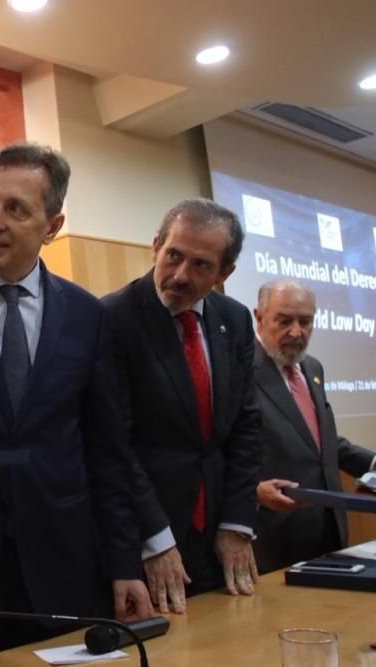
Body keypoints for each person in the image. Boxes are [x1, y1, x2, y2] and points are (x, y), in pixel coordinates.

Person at [0, 142, 152, 665]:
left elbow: (108, 451)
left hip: (63, 567)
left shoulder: (87, 315)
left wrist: (125, 562)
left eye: (16, 209)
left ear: (52, 224)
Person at [103, 198, 261, 613]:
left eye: (201, 265)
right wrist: (154, 538)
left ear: (225, 273)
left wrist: (237, 523)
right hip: (147, 538)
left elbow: (245, 425)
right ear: (155, 246)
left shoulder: (236, 320)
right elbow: (114, 443)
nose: (180, 275)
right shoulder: (112, 318)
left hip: (218, 535)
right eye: (173, 256)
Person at [252, 279, 376, 573]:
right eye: (284, 321)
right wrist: (252, 491)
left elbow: (319, 440)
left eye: (306, 321)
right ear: (259, 317)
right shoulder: (238, 369)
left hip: (329, 527)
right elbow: (218, 452)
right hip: (273, 535)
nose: (296, 332)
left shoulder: (312, 367)